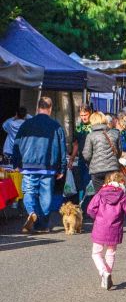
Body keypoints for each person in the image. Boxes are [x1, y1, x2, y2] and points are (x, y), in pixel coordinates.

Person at [12, 97, 66, 233]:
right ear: (50, 108)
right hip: (48, 166)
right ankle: (42, 225)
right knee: (46, 195)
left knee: (29, 191)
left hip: (28, 164)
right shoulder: (56, 126)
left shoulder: (26, 124)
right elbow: (62, 149)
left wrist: (16, 162)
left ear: (37, 108)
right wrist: (62, 168)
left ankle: (31, 212)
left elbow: (16, 144)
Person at [87, 171, 126, 290]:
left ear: (108, 181)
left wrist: (96, 218)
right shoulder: (122, 196)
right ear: (122, 183)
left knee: (96, 253)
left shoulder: (100, 194)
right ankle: (107, 275)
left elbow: (90, 210)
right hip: (115, 228)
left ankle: (104, 272)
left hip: (100, 227)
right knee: (111, 252)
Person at [82, 112, 121, 193]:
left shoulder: (90, 136)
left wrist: (93, 162)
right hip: (112, 169)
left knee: (100, 195)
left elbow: (86, 155)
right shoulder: (115, 133)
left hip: (97, 171)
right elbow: (119, 152)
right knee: (112, 194)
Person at [68, 104, 92, 200]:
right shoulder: (78, 127)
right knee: (81, 184)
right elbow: (76, 145)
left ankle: (90, 205)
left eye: (85, 115)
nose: (83, 117)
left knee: (90, 183)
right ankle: (82, 204)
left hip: (93, 160)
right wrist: (71, 159)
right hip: (82, 159)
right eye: (81, 115)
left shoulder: (94, 126)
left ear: (90, 113)